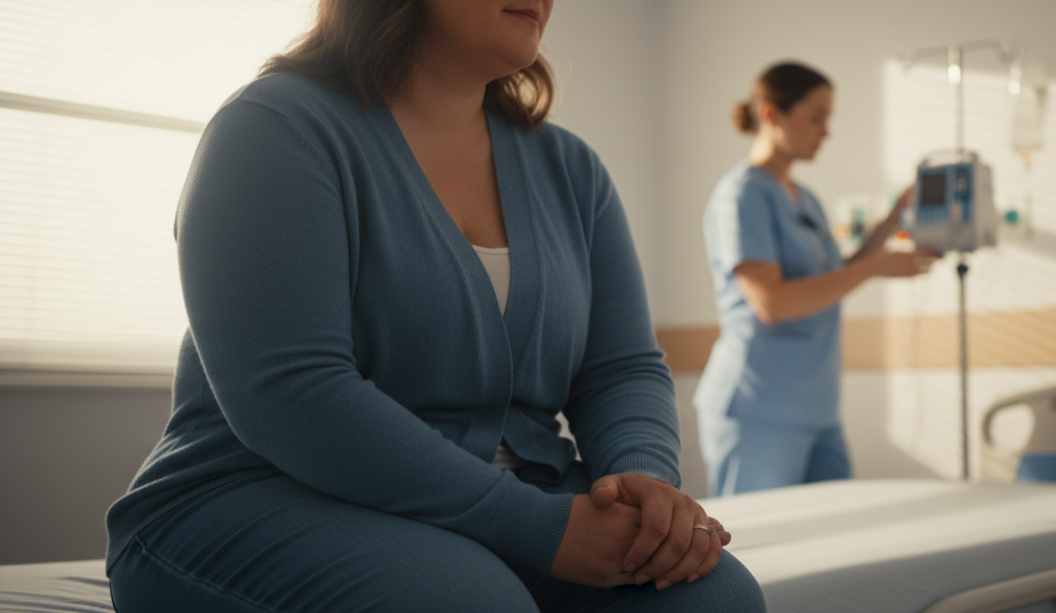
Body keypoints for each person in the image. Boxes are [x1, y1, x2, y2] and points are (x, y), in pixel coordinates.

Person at [103, 1, 765, 611]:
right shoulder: (274, 128)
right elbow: (293, 391)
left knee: (715, 598)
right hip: (259, 491)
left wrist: (642, 488)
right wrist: (533, 526)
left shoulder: (571, 169)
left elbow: (619, 367)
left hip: (513, 500)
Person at [695, 61, 938, 497]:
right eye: (816, 117)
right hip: (760, 406)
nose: (825, 131)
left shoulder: (805, 198)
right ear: (772, 115)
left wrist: (894, 218)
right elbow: (772, 304)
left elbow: (834, 276)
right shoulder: (742, 196)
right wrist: (874, 268)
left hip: (817, 407)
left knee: (833, 535)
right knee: (756, 546)